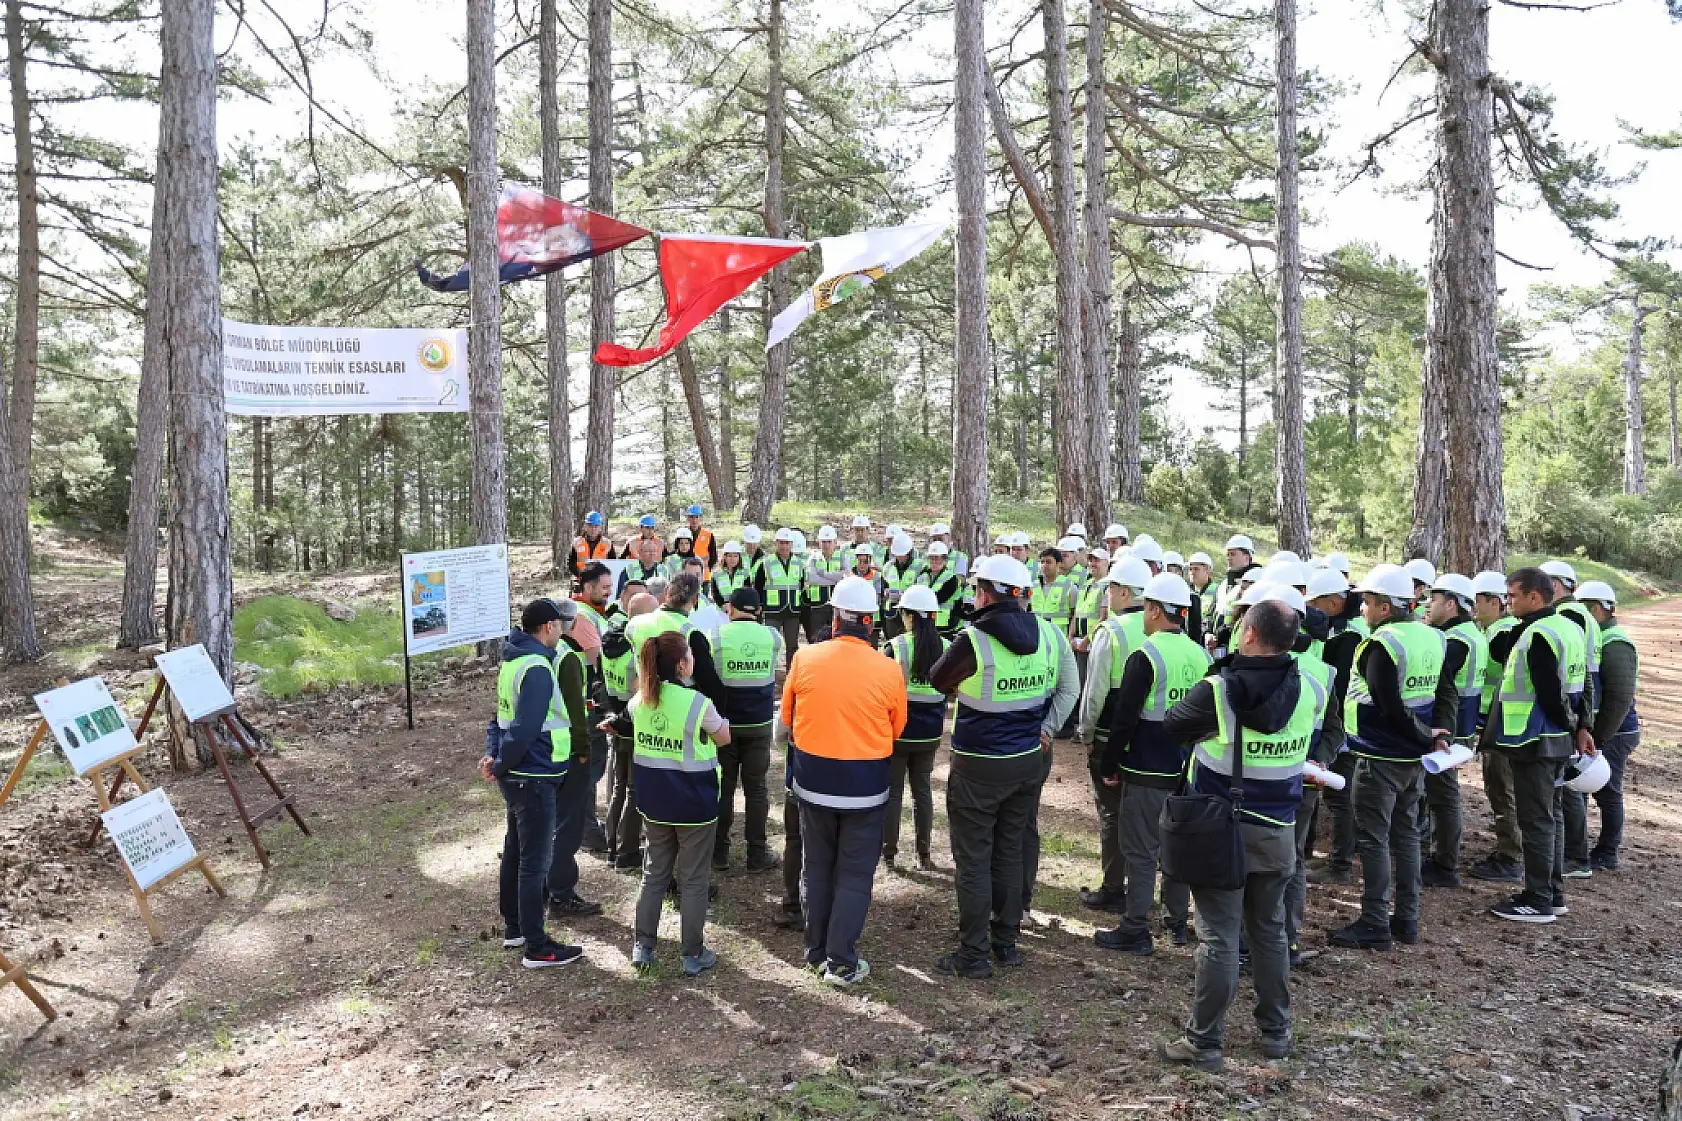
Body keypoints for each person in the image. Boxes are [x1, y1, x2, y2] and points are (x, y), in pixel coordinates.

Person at [1157, 600, 1328, 1070]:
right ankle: (1276, 1033)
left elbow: (1174, 727)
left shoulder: (1220, 689)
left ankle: (1204, 1042)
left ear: (1249, 635)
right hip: (1280, 831)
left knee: (1218, 937)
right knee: (1270, 931)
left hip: (1222, 831)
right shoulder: (1311, 687)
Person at [928, 555, 1077, 978]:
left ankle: (973, 955)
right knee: (1010, 851)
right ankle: (1005, 942)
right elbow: (1070, 687)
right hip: (1028, 762)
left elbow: (938, 679)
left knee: (974, 860)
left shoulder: (973, 640)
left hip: (978, 767)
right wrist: (1047, 727)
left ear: (984, 593)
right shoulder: (1049, 634)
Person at [781, 575, 907, 985]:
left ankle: (816, 952)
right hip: (865, 786)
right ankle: (840, 961)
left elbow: (787, 718)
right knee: (854, 873)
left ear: (835, 618)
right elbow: (896, 729)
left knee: (816, 866)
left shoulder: (805, 658)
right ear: (870, 623)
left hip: (813, 780)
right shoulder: (888, 669)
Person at [1328, 566, 1451, 951]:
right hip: (1413, 758)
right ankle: (1406, 919)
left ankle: (1375, 921)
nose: (1362, 609)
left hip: (1379, 754)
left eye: (1367, 602)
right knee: (1407, 834)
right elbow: (1442, 691)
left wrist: (1422, 736)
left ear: (1384, 606)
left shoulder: (1383, 643)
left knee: (1374, 838)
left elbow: (1389, 705)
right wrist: (1433, 737)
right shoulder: (1432, 637)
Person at [602, 631, 731, 976]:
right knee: (693, 880)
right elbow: (724, 737)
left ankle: (643, 947)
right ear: (682, 664)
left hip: (655, 804)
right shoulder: (697, 703)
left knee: (654, 874)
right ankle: (692, 954)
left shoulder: (638, 702)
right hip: (695, 805)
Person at [1092, 572, 1208, 954]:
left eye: (1147, 607)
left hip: (1145, 768)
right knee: (1176, 848)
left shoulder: (1146, 655)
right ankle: (1175, 922)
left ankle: (1135, 927)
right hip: (1186, 768)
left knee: (1140, 851)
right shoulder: (1200, 654)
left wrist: (1109, 764)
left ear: (1156, 610)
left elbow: (1124, 719)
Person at [1482, 566, 1593, 923]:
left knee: (1537, 820)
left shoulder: (1540, 634)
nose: (1507, 601)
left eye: (1513, 596)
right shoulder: (1567, 628)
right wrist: (1581, 727)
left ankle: (1539, 897)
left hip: (1535, 740)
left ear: (1535, 596)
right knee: (1552, 815)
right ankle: (1552, 891)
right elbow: (1584, 683)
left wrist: (1573, 725)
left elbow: (1549, 693)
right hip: (1556, 740)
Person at [482, 598, 587, 969]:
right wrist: (499, 762)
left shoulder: (512, 661)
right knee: (534, 863)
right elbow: (525, 728)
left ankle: (516, 929)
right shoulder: (539, 667)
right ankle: (538, 948)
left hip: (518, 776)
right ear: (548, 628)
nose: (561, 631)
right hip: (535, 776)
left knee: (515, 851)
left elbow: (499, 720)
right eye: (559, 625)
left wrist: (495, 757)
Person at [1075, 556, 1153, 913]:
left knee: (1111, 813)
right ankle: (1146, 893)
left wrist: (1086, 734)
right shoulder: (1164, 629)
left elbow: (1094, 691)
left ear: (1123, 591)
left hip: (1110, 734)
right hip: (1152, 739)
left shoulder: (1112, 632)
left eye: (1110, 589)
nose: (1107, 596)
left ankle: (1112, 888)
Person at [1415, 573, 1487, 889]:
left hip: (1447, 732)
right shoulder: (1472, 633)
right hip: (1459, 729)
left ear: (1452, 604)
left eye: (1435, 599)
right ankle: (1440, 857)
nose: (1428, 604)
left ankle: (1444, 864)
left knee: (1442, 797)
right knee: (1441, 796)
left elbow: (1438, 683)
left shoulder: (1454, 641)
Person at [711, 588, 784, 873]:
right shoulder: (772, 637)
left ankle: (719, 853)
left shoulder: (714, 636)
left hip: (724, 726)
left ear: (730, 608)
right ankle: (756, 853)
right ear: (757, 610)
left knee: (724, 789)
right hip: (759, 725)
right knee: (756, 790)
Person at [1573, 581, 1639, 871]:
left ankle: (1608, 852)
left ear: (1597, 609)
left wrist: (1599, 737)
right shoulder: (1599, 639)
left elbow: (1620, 697)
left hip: (1616, 731)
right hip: (1603, 731)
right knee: (1583, 789)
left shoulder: (1615, 643)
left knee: (1608, 791)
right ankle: (1581, 847)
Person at [883, 585, 949, 870]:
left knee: (894, 791)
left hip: (899, 733)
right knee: (922, 791)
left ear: (910, 616)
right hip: (930, 733)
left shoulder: (895, 646)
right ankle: (924, 854)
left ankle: (889, 852)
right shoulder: (948, 647)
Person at [1304, 568, 1362, 887]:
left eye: (1314, 603)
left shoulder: (1346, 637)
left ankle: (1340, 864)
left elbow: (1336, 686)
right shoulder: (1339, 630)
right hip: (1339, 725)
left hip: (1342, 727)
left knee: (1340, 798)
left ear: (1335, 604)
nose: (1308, 610)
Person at [1465, 570, 1525, 883]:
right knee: (1502, 789)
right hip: (1499, 722)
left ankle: (1511, 857)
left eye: (1477, 601)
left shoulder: (1503, 634)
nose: (1473, 607)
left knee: (1503, 789)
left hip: (1502, 725)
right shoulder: (1494, 631)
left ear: (1494, 601)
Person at [1544, 561, 1601, 880]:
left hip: (1572, 706)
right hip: (1579, 705)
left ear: (1555, 586)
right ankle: (1572, 855)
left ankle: (1575, 857)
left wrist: (1580, 723)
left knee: (1567, 790)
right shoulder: (1580, 614)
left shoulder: (1567, 616)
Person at [600, 592, 657, 871]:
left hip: (615, 717)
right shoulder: (637, 646)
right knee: (634, 790)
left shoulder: (610, 640)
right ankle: (626, 852)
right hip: (633, 722)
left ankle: (613, 845)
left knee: (618, 787)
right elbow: (639, 685)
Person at [570, 563, 616, 856]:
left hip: (586, 701)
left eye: (611, 588)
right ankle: (585, 828)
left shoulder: (591, 613)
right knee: (588, 767)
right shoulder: (583, 617)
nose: (609, 593)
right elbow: (599, 663)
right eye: (604, 589)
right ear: (587, 588)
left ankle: (581, 823)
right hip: (588, 704)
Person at [803, 525, 848, 642]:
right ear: (819, 542)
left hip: (838, 606)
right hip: (818, 606)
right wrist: (835, 578)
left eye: (829, 541)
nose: (826, 545)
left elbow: (846, 576)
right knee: (817, 639)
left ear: (835, 542)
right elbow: (812, 579)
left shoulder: (842, 556)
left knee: (838, 638)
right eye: (823, 542)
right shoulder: (813, 558)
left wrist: (824, 574)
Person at [914, 541, 964, 635]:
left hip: (945, 625)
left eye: (937, 559)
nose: (934, 562)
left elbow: (939, 598)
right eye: (932, 559)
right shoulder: (922, 575)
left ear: (945, 560)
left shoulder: (952, 579)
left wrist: (920, 599)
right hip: (926, 623)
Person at [881, 534, 921, 640]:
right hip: (892, 613)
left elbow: (922, 590)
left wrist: (905, 596)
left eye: (902, 554)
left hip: (911, 613)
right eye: (897, 554)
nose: (899, 557)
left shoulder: (920, 567)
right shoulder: (888, 567)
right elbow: (883, 586)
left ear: (909, 552)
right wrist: (886, 593)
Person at [1215, 535, 1261, 620]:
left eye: (1233, 554)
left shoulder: (1255, 583)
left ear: (1246, 558)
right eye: (1228, 555)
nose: (1229, 558)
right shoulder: (1224, 584)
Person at [1032, 547, 1076, 635]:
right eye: (1042, 562)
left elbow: (1074, 615)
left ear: (1058, 564)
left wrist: (1070, 637)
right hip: (1037, 636)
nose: (1044, 565)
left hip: (1058, 638)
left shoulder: (1069, 586)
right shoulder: (1034, 585)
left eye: (1048, 562)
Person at [569, 511, 614, 578]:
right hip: (582, 579)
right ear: (585, 526)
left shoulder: (607, 543)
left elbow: (613, 563)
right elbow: (571, 563)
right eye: (590, 526)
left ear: (600, 527)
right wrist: (580, 575)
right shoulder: (577, 542)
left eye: (596, 526)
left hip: (600, 580)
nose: (593, 529)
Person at [683, 504, 718, 573]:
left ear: (701, 518)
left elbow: (713, 557)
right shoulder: (683, 535)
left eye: (697, 517)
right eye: (691, 517)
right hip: (687, 575)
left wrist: (707, 569)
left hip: (704, 575)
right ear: (688, 518)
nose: (694, 520)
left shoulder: (708, 535)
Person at [1188, 552, 1217, 624]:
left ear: (1208, 570)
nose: (1192, 572)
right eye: (1190, 569)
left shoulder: (1217, 591)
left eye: (1196, 569)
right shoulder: (1185, 591)